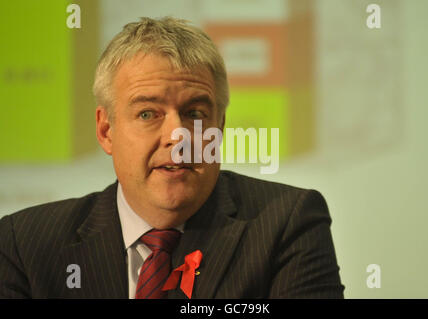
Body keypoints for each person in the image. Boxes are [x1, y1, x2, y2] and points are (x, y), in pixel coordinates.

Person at [0, 17, 344, 299]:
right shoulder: (24, 244)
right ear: (106, 131)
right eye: (148, 114)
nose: (177, 137)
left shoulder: (286, 225)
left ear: (219, 128)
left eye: (195, 113)